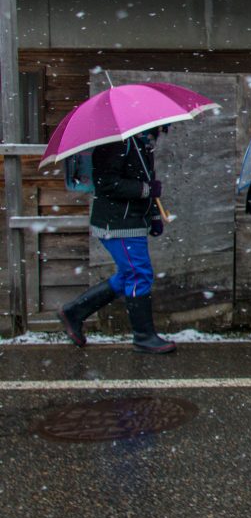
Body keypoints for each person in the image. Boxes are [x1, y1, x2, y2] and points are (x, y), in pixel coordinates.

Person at [59, 126, 175, 354]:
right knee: (139, 274)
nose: (163, 131)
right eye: (162, 127)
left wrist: (152, 215)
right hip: (118, 224)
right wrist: (145, 189)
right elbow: (106, 184)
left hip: (132, 221)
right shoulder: (116, 144)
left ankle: (74, 312)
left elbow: (146, 182)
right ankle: (144, 337)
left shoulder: (142, 144)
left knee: (129, 274)